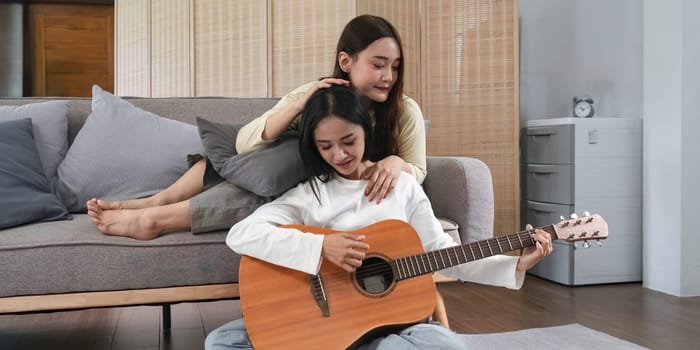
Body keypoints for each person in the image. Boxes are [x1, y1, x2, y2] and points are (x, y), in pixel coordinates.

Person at [204, 86, 552, 350]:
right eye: (325, 146)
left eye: (348, 141)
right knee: (220, 342)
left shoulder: (401, 187)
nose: (339, 154)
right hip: (325, 322)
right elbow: (242, 233)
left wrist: (516, 265)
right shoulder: (313, 193)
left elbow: (443, 253)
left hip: (390, 329)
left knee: (446, 346)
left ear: (365, 132)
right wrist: (322, 246)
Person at [87, 14, 427, 240]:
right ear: (345, 62)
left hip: (327, 190)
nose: (388, 77)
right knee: (263, 160)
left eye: (395, 67)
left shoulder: (403, 110)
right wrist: (297, 106)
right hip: (273, 166)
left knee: (272, 178)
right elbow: (245, 142)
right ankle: (156, 202)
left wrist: (398, 163)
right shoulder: (316, 97)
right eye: (378, 65)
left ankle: (154, 219)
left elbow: (418, 170)